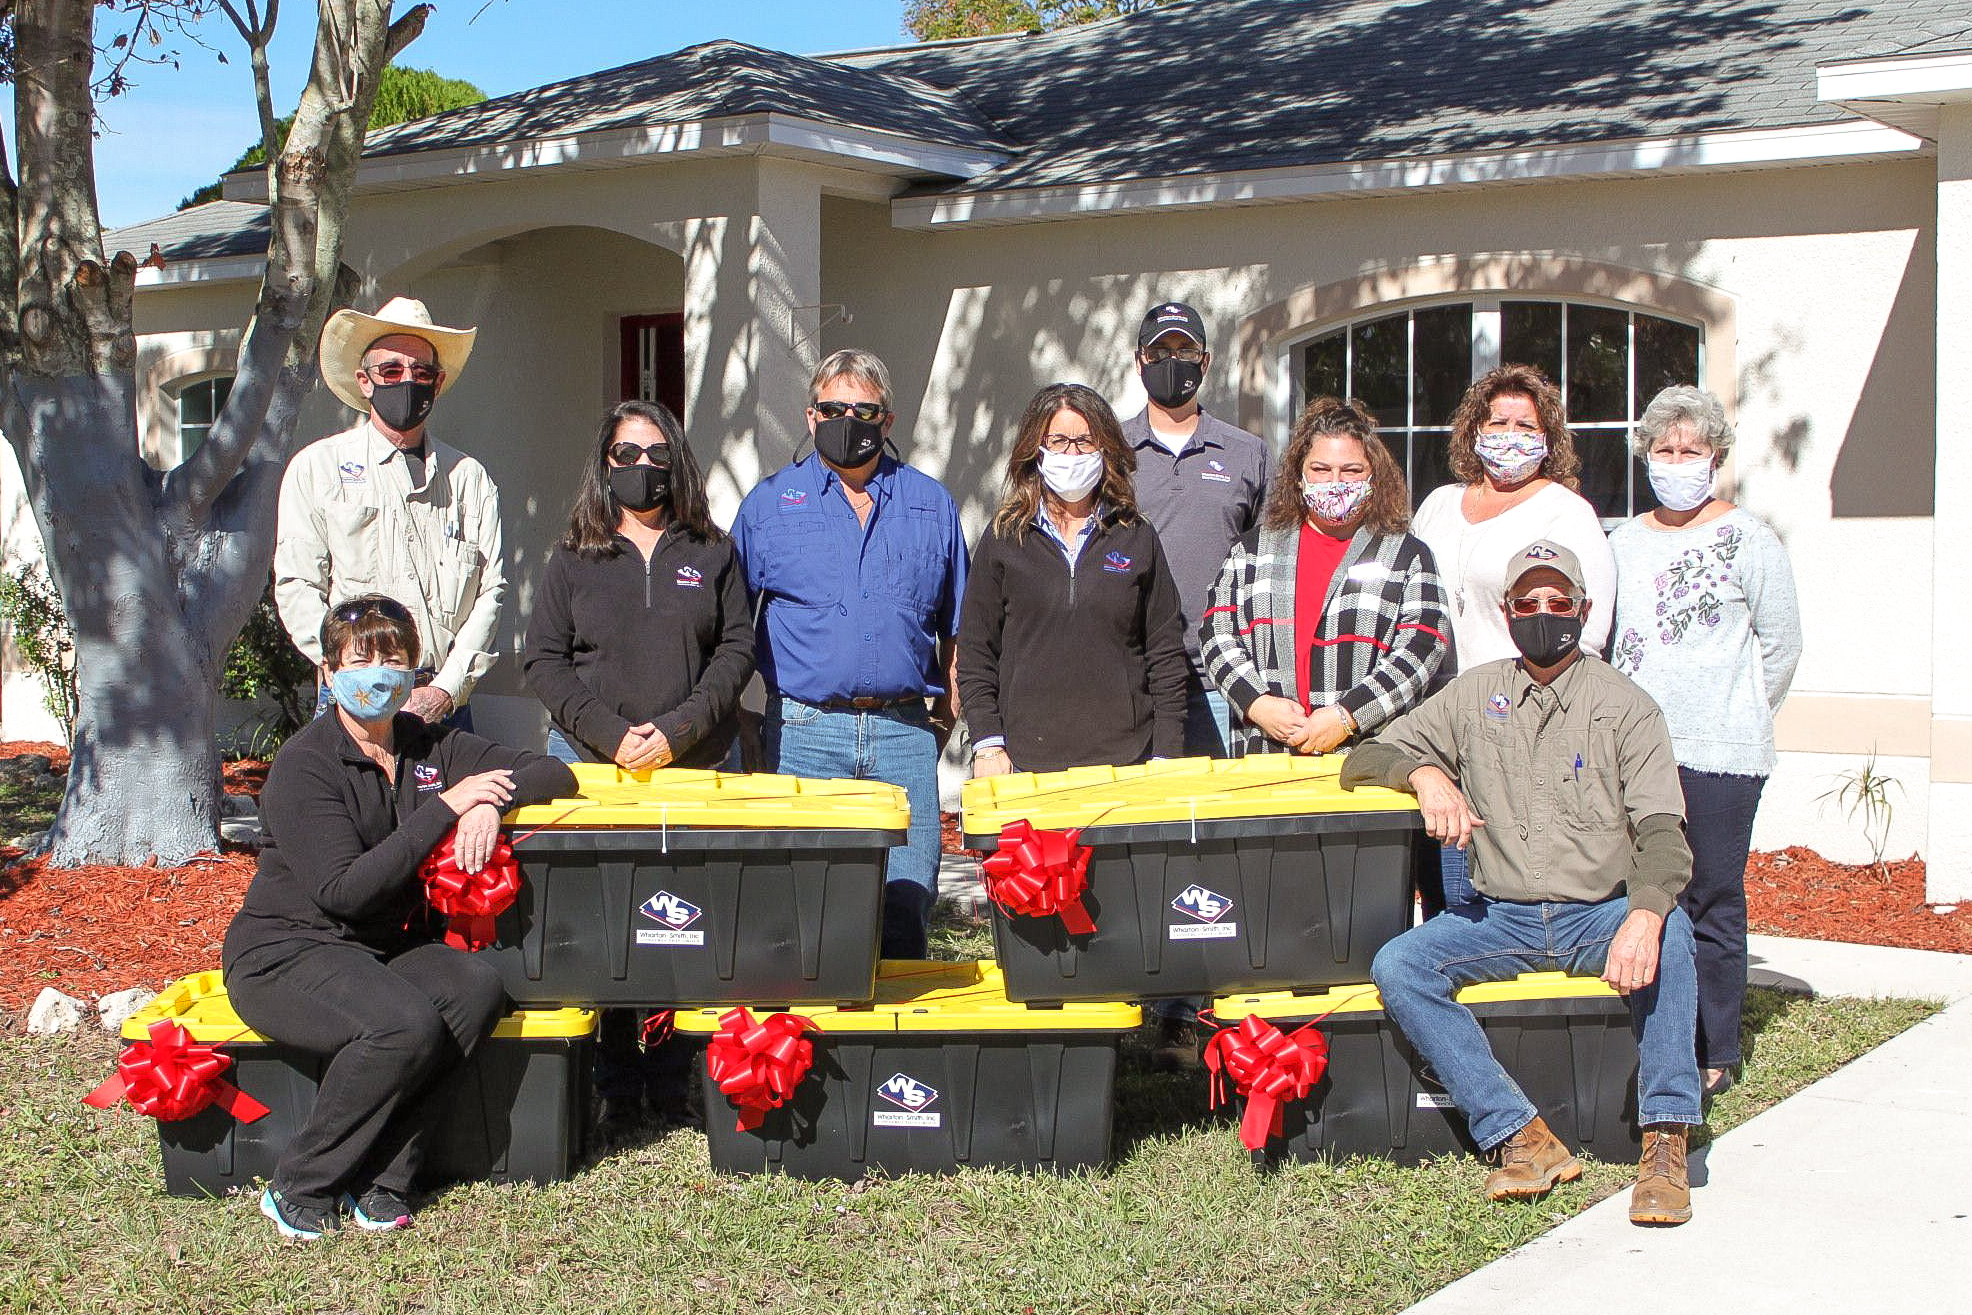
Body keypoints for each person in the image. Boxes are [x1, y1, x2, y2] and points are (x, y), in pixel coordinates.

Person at [1343, 540, 1701, 1227]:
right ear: (1506, 612)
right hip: (1497, 917)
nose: (1544, 614)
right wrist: (1423, 774)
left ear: (1584, 610)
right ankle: (1521, 1135)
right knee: (1401, 964)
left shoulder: (1628, 707)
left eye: (1558, 601)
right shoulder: (1476, 693)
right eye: (1527, 602)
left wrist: (1646, 914)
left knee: (1675, 932)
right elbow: (1365, 754)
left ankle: (1666, 1140)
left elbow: (1662, 831)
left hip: (1597, 912)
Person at [222, 594, 576, 1240]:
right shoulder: (306, 765)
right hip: (287, 952)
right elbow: (344, 890)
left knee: (476, 988)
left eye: (394, 657)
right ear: (328, 673)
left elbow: (551, 771)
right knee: (402, 1023)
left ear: (415, 670)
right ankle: (300, 1183)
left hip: (380, 950)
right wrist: (446, 809)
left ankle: (385, 1178)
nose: (379, 672)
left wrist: (488, 803)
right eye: (362, 659)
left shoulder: (427, 742)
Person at [523, 400, 755, 1135]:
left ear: (677, 461)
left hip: (696, 766)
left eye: (656, 453)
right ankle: (616, 1080)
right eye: (625, 454)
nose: (642, 467)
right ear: (604, 465)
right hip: (597, 770)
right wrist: (610, 735)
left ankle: (673, 1077)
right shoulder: (573, 558)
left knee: (685, 925)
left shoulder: (711, 551)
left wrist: (682, 729)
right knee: (610, 928)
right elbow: (543, 661)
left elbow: (737, 650)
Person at [729, 348, 968, 960]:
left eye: (864, 410)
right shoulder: (768, 507)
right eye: (834, 409)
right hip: (804, 733)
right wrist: (740, 723)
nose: (848, 420)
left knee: (905, 908)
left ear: (887, 422)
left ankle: (892, 1054)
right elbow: (728, 629)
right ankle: (804, 1049)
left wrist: (940, 722)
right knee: (806, 909)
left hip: (904, 735)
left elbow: (959, 630)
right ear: (810, 417)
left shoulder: (930, 505)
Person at [1609, 385, 1801, 1102]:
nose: (1679, 461)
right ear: (1646, 455)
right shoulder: (1624, 542)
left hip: (1723, 753)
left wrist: (1740, 708)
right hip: (1640, 752)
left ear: (1715, 456)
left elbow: (1782, 644)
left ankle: (1716, 1045)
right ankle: (1657, 1029)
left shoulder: (1749, 538)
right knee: (1647, 894)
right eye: (1666, 449)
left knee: (1712, 896)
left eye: (1693, 450)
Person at [1411, 363, 1616, 906]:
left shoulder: (1567, 514)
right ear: (1473, 429)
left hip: (1508, 721)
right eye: (1497, 422)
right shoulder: (1438, 505)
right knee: (1433, 869)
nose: (1509, 436)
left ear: (1548, 439)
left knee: (1481, 877)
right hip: (1432, 716)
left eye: (1525, 426)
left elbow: (1586, 633)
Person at [276, 297, 502, 729]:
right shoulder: (318, 468)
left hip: (442, 703)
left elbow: (492, 591)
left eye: (422, 373)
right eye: (392, 371)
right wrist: (347, 665)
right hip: (351, 696)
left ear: (437, 385)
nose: (408, 382)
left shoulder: (470, 479)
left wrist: (445, 689)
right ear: (364, 381)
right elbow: (297, 585)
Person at [1200, 396, 1449, 759]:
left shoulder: (1407, 555)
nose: (1335, 482)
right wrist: (1256, 704)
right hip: (1266, 756)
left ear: (1373, 477)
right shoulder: (1251, 551)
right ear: (1300, 476)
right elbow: (1216, 633)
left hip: (1365, 756)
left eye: (1351, 471)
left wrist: (1347, 717)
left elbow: (1422, 647)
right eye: (1321, 469)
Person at [958, 383, 1188, 775]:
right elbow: (976, 652)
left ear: (1105, 449)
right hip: (1024, 764)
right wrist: (987, 743)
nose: (1072, 453)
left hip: (1126, 762)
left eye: (1085, 441)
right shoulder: (1004, 537)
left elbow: (1165, 653)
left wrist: (1167, 751)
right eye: (1059, 440)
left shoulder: (1136, 535)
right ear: (1036, 448)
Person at [1122, 300, 1269, 757]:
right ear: (1140, 360)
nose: (1172, 361)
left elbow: (1268, 564)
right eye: (1159, 350)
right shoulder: (1112, 452)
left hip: (1222, 683)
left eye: (1184, 350)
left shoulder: (1248, 453)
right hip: (1134, 682)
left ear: (1204, 362)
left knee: (1216, 826)